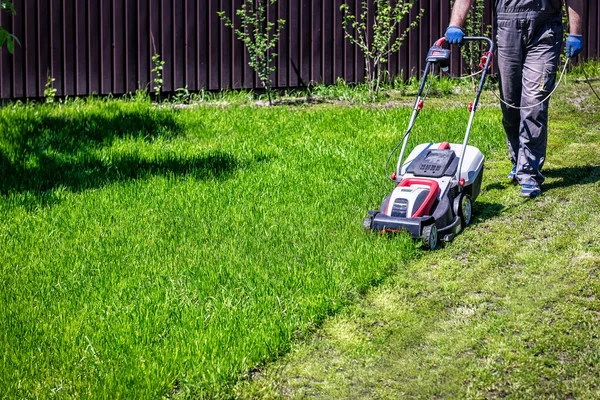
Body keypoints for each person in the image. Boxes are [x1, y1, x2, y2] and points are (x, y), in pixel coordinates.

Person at [445, 0, 584, 198]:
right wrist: (455, 25)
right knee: (510, 104)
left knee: (534, 103)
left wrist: (575, 33)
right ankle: (518, 157)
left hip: (545, 29)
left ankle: (529, 172)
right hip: (507, 27)